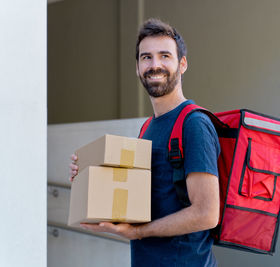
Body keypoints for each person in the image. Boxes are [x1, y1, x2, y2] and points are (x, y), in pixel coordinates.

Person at [69, 18, 220, 267]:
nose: (155, 65)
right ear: (138, 67)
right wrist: (88, 175)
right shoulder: (148, 128)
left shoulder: (193, 124)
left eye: (165, 56)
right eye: (146, 57)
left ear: (182, 64)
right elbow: (141, 200)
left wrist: (139, 232)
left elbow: (206, 213)